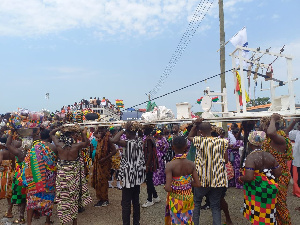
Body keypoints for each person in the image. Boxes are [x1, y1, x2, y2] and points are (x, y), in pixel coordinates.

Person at [188, 118, 228, 225]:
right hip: (218, 179)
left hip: (201, 179)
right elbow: (226, 160)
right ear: (211, 129)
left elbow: (189, 137)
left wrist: (195, 124)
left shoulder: (199, 140)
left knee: (196, 203)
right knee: (215, 206)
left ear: (200, 132)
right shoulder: (222, 141)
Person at [50, 125, 92, 225]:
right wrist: (82, 131)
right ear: (72, 136)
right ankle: (74, 222)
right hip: (73, 175)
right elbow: (87, 143)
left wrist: (60, 128)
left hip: (62, 175)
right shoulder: (76, 146)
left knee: (63, 199)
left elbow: (51, 133)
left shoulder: (59, 145)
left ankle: (63, 222)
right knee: (73, 197)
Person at [239, 131, 282, 225]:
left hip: (257, 191)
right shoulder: (269, 156)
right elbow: (278, 173)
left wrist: (241, 178)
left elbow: (249, 177)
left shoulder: (251, 157)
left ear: (250, 144)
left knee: (257, 214)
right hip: (270, 189)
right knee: (269, 214)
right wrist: (267, 177)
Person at [111, 122, 146, 225]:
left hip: (128, 176)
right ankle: (136, 223)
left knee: (126, 203)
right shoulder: (139, 141)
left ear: (128, 133)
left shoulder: (128, 142)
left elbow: (114, 140)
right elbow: (139, 133)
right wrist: (133, 128)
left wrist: (123, 129)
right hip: (137, 175)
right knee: (136, 201)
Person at [261, 113, 293, 225]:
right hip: (271, 175)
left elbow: (271, 132)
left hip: (280, 176)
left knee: (280, 204)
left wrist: (273, 119)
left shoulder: (279, 139)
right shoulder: (272, 139)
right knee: (272, 204)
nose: (263, 129)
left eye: (265, 126)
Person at [23, 129, 57, 225]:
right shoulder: (53, 147)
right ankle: (47, 221)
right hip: (49, 178)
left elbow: (27, 162)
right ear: (49, 137)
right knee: (49, 199)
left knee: (31, 199)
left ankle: (29, 222)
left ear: (40, 137)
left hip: (35, 177)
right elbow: (56, 161)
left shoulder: (34, 148)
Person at [165, 136, 200, 224]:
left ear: (173, 147)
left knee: (176, 222)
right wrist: (186, 184)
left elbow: (168, 188)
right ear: (185, 147)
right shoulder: (191, 164)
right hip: (188, 199)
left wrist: (176, 185)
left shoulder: (170, 165)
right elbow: (198, 184)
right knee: (188, 220)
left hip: (176, 201)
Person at [6, 133, 28, 224]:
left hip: (20, 178)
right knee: (29, 197)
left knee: (21, 198)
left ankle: (21, 218)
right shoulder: (33, 151)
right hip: (31, 176)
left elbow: (7, 144)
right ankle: (35, 214)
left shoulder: (19, 152)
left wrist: (11, 133)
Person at [92, 126, 117, 207]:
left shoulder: (108, 139)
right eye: (100, 130)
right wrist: (98, 128)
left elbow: (114, 151)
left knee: (103, 181)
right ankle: (101, 198)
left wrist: (105, 158)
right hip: (98, 163)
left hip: (104, 164)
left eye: (102, 130)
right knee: (98, 181)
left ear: (106, 130)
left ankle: (105, 199)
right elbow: (95, 133)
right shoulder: (100, 137)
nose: (100, 131)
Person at [142, 125, 160, 208]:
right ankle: (156, 197)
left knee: (148, 181)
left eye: (144, 129)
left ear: (147, 130)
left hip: (150, 163)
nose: (143, 130)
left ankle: (150, 200)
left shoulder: (149, 139)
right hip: (151, 162)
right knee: (149, 180)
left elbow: (150, 153)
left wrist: (147, 165)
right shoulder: (150, 138)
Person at [0, 138, 15, 219]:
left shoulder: (2, 152)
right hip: (11, 173)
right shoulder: (12, 153)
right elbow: (14, 165)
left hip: (3, 174)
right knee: (9, 194)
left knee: (1, 191)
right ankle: (9, 212)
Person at [285, 119, 300, 199]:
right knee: (297, 181)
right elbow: (286, 132)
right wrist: (294, 121)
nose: (298, 126)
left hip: (297, 161)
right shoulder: (297, 133)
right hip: (297, 162)